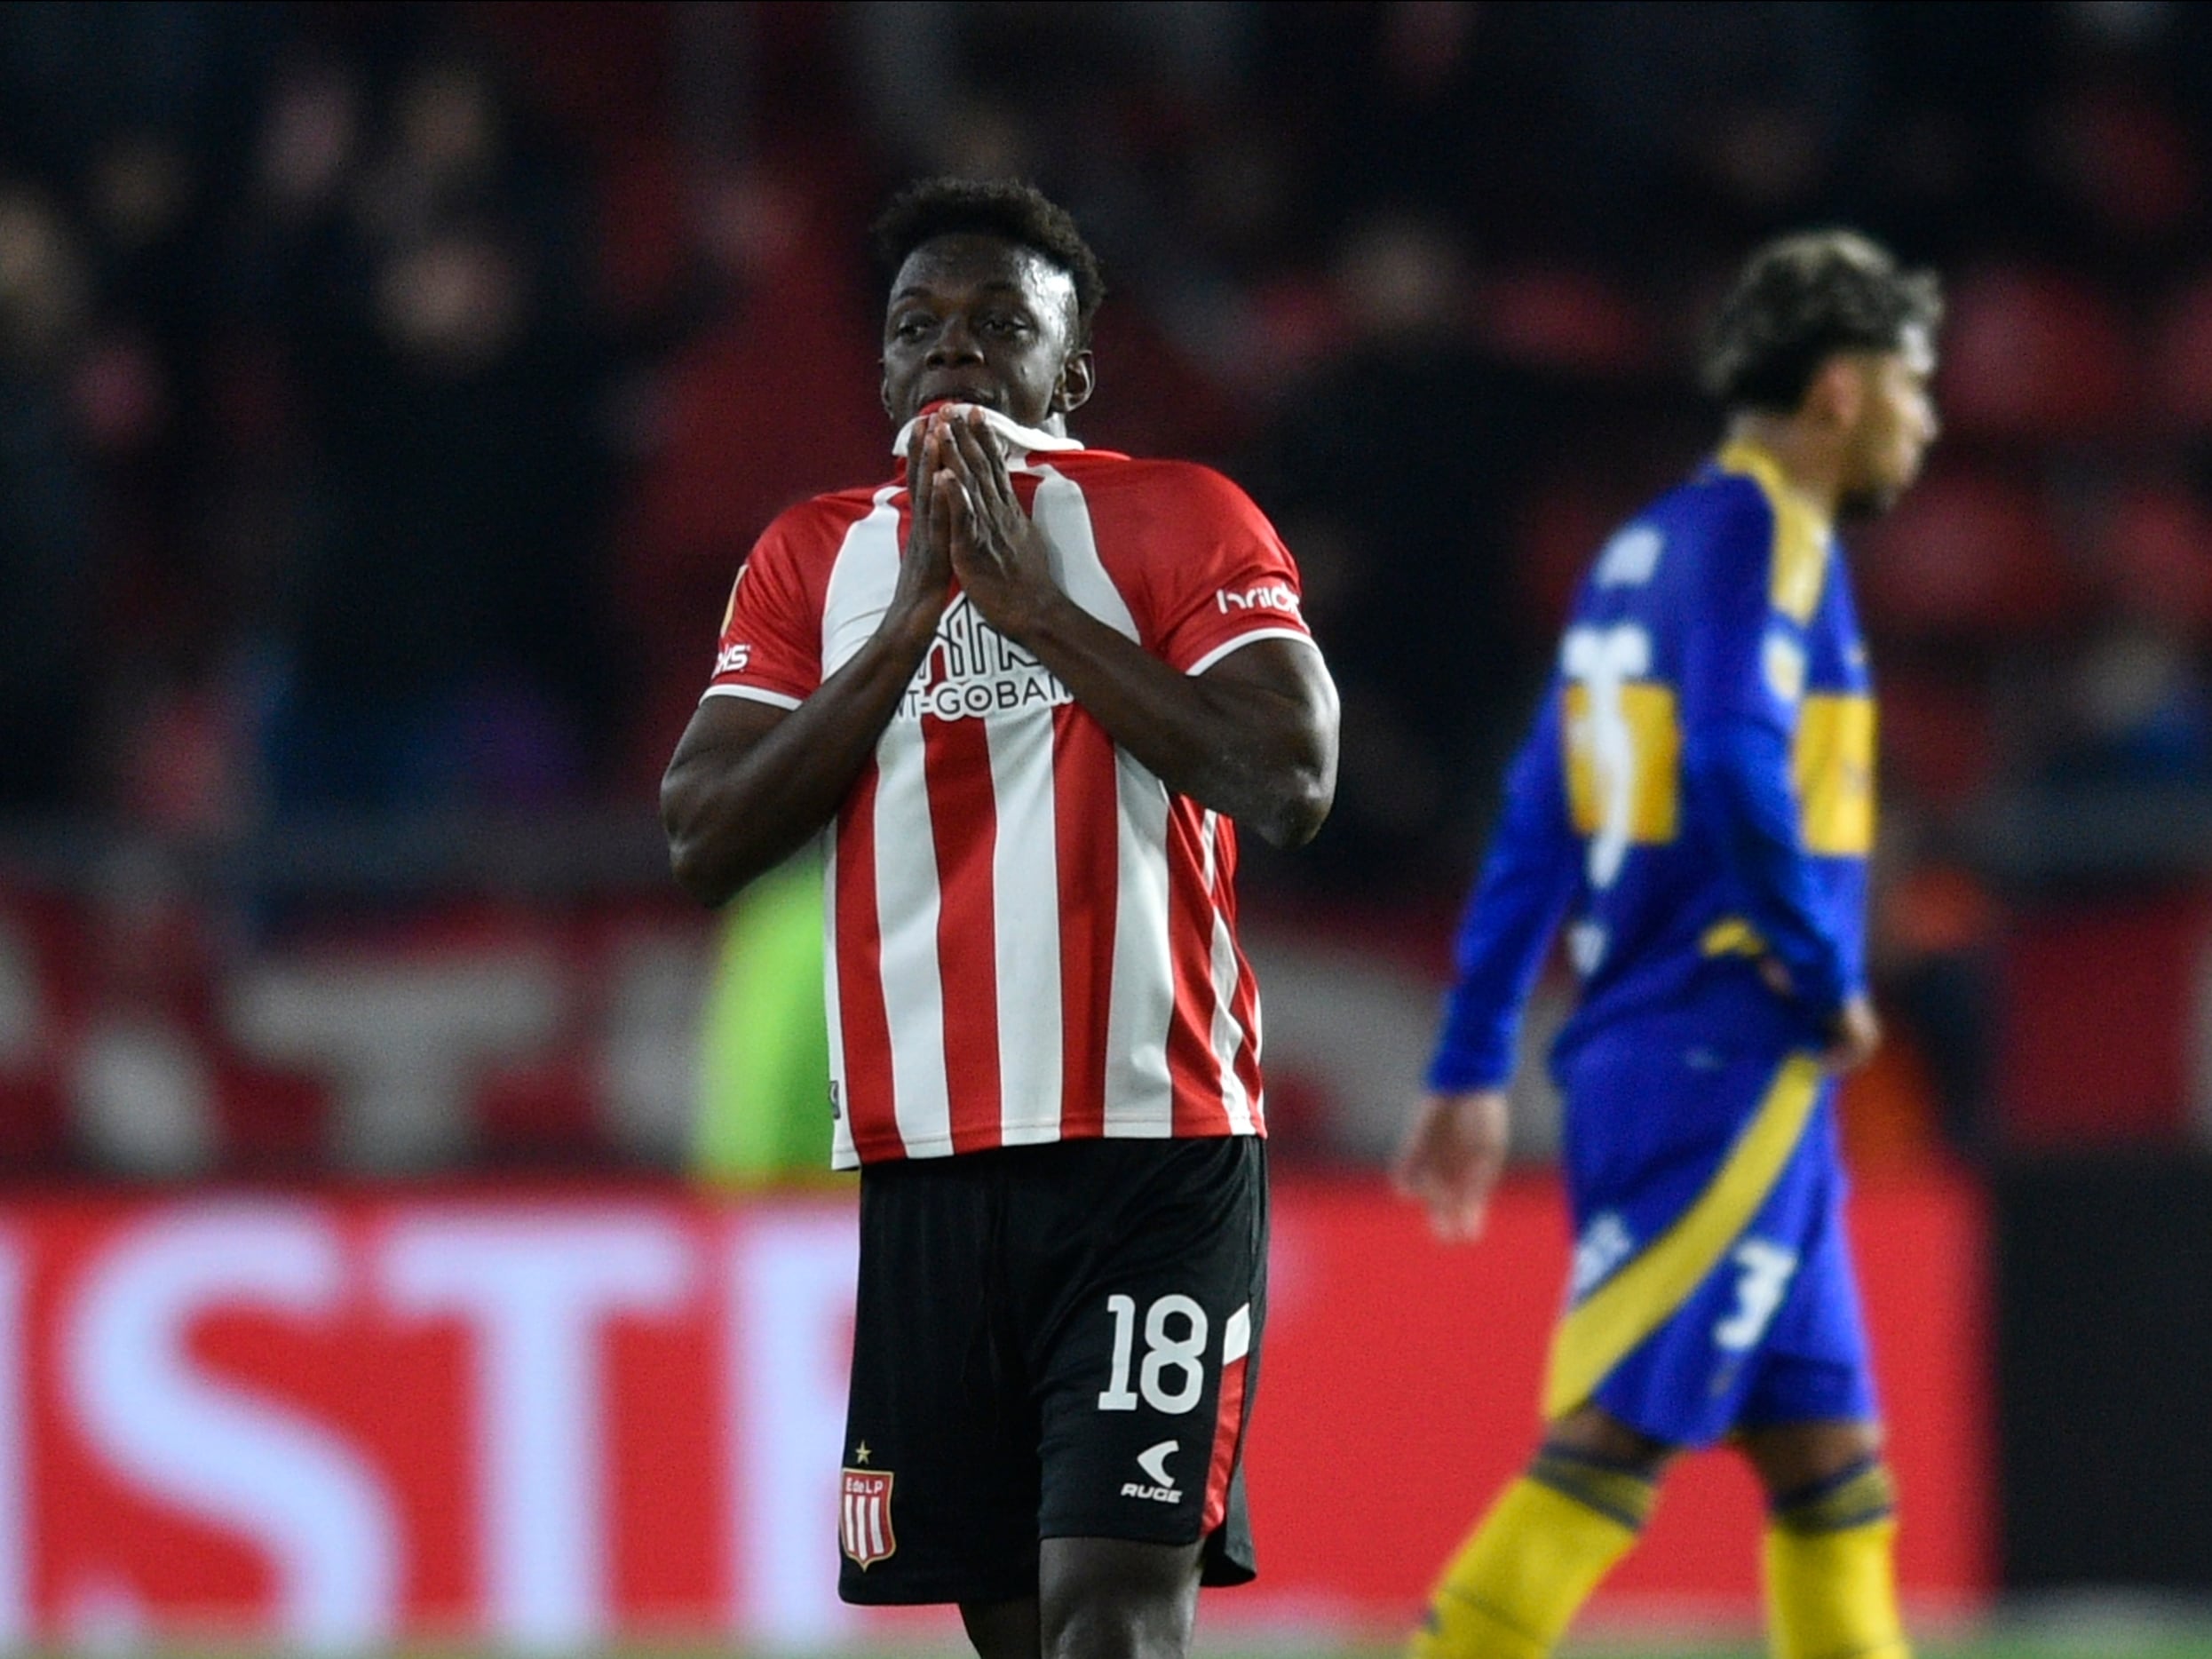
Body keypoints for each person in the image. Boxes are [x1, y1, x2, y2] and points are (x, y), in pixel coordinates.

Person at [660, 178, 1338, 1659]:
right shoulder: (814, 560)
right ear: (886, 371)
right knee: (1021, 1632)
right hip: (932, 1173)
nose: (953, 351)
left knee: (1113, 1616)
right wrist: (911, 624)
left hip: (1152, 1149)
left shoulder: (1180, 516)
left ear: (1070, 366)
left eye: (996, 323)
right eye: (919, 328)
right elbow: (705, 833)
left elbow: (1287, 776)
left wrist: (1032, 613)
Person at [1393, 230, 1941, 1659]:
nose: (1925, 423)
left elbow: (1533, 822)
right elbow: (1735, 761)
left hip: (1696, 1057)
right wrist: (1827, 975)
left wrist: (1466, 1064)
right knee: (1608, 1445)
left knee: (1832, 1471)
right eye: (1911, 386)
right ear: (1840, 389)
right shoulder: (1765, 534)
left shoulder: (1644, 548)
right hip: (1726, 1053)